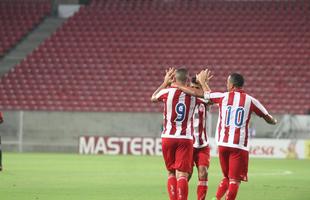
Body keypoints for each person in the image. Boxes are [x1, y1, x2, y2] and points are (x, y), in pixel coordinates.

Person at [175, 70, 277, 200]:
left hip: (222, 144)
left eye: (227, 82)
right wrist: (273, 121)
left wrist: (180, 85)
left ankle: (216, 198)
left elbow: (206, 95)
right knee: (234, 180)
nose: (226, 84)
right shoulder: (251, 100)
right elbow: (267, 117)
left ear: (232, 85)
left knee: (224, 177)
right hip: (238, 146)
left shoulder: (223, 97)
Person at [151, 68, 199, 200]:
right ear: (187, 79)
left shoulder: (166, 92)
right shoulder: (194, 95)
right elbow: (208, 99)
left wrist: (165, 83)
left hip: (168, 137)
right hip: (185, 138)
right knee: (182, 175)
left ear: (174, 79)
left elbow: (153, 98)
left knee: (171, 173)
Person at [188, 77, 211, 200]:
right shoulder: (185, 99)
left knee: (203, 173)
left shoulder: (204, 102)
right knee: (186, 175)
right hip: (188, 145)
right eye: (193, 87)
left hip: (202, 146)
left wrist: (204, 83)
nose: (195, 90)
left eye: (197, 88)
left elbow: (212, 98)